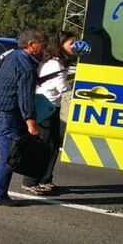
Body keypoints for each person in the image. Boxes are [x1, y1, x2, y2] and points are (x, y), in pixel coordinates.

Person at [0, 28, 45, 206]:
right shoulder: (26, 67)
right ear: (32, 46)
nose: (44, 46)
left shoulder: (14, 56)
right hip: (5, 115)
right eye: (42, 43)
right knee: (11, 156)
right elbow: (25, 98)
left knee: (8, 154)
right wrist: (31, 123)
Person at [21, 32, 81, 195]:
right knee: (43, 145)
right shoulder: (55, 63)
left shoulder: (58, 62)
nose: (75, 46)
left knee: (53, 145)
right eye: (72, 43)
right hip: (45, 106)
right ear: (61, 45)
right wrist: (78, 87)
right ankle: (30, 181)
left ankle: (45, 179)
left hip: (51, 106)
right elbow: (61, 87)